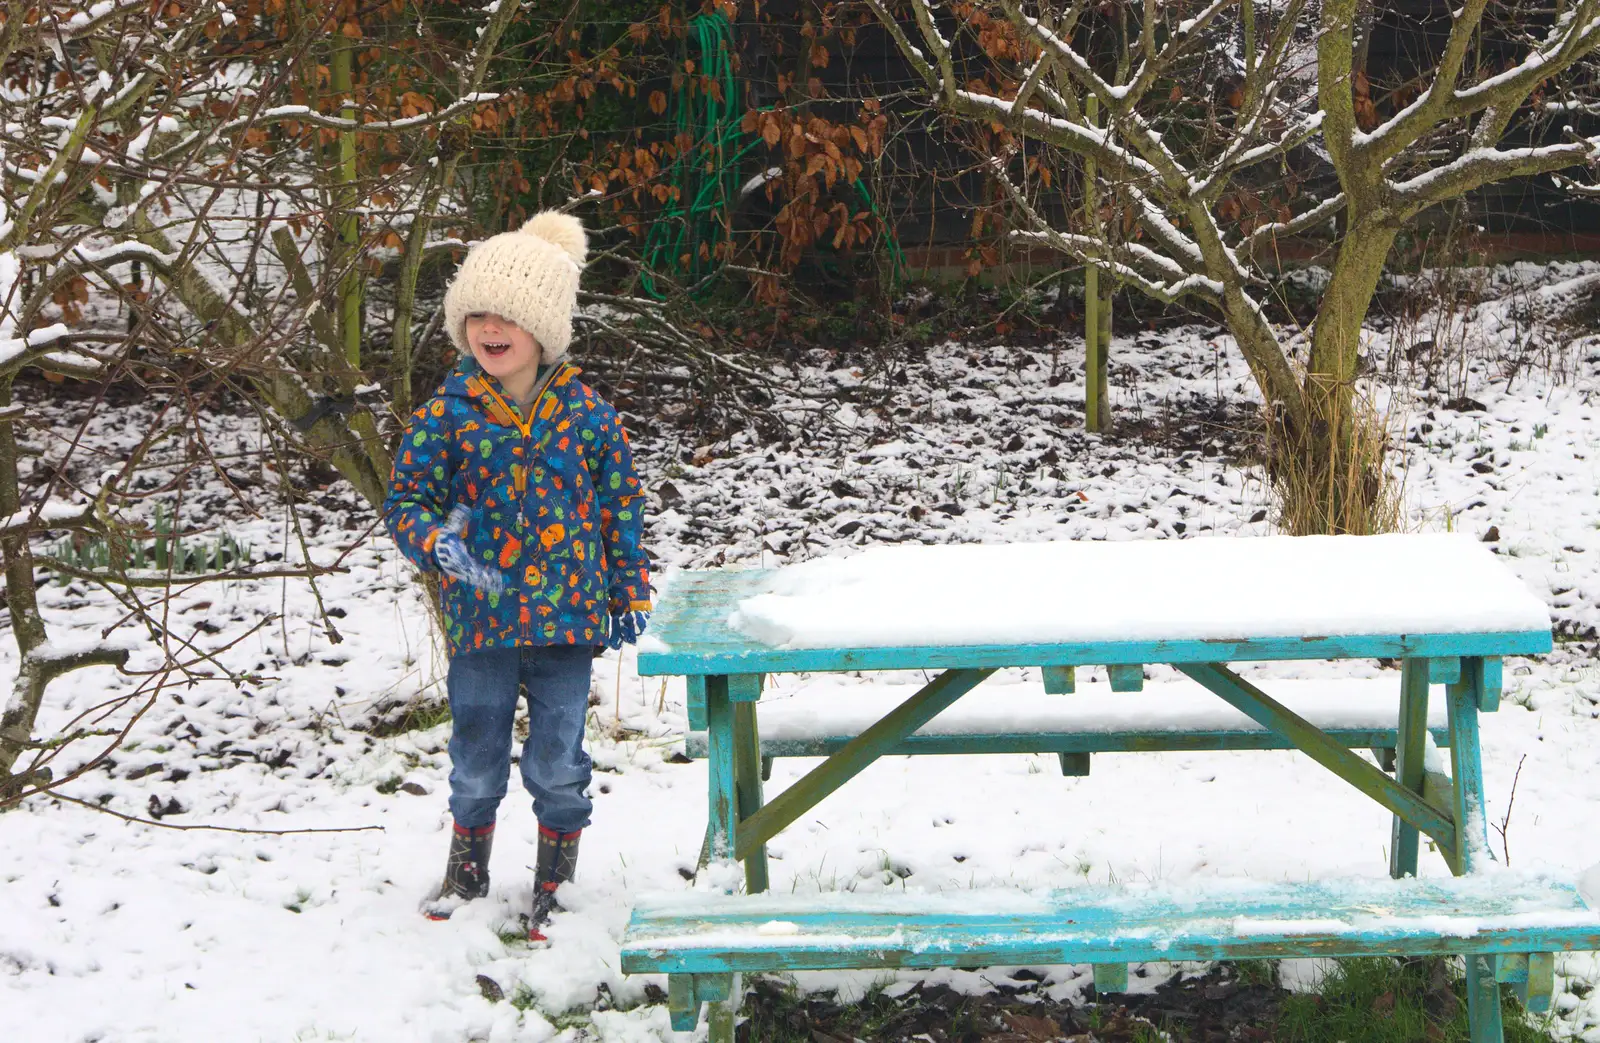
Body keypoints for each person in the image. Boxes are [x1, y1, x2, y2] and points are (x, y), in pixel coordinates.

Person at [382, 210, 651, 943]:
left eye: (509, 315)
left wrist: (628, 587)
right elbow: (405, 499)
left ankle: (556, 882)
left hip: (567, 625)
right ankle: (467, 869)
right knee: (475, 753)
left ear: (545, 329)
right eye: (477, 314)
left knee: (559, 758)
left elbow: (620, 507)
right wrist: (436, 541)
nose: (489, 328)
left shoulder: (589, 417)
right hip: (483, 620)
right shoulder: (448, 415)